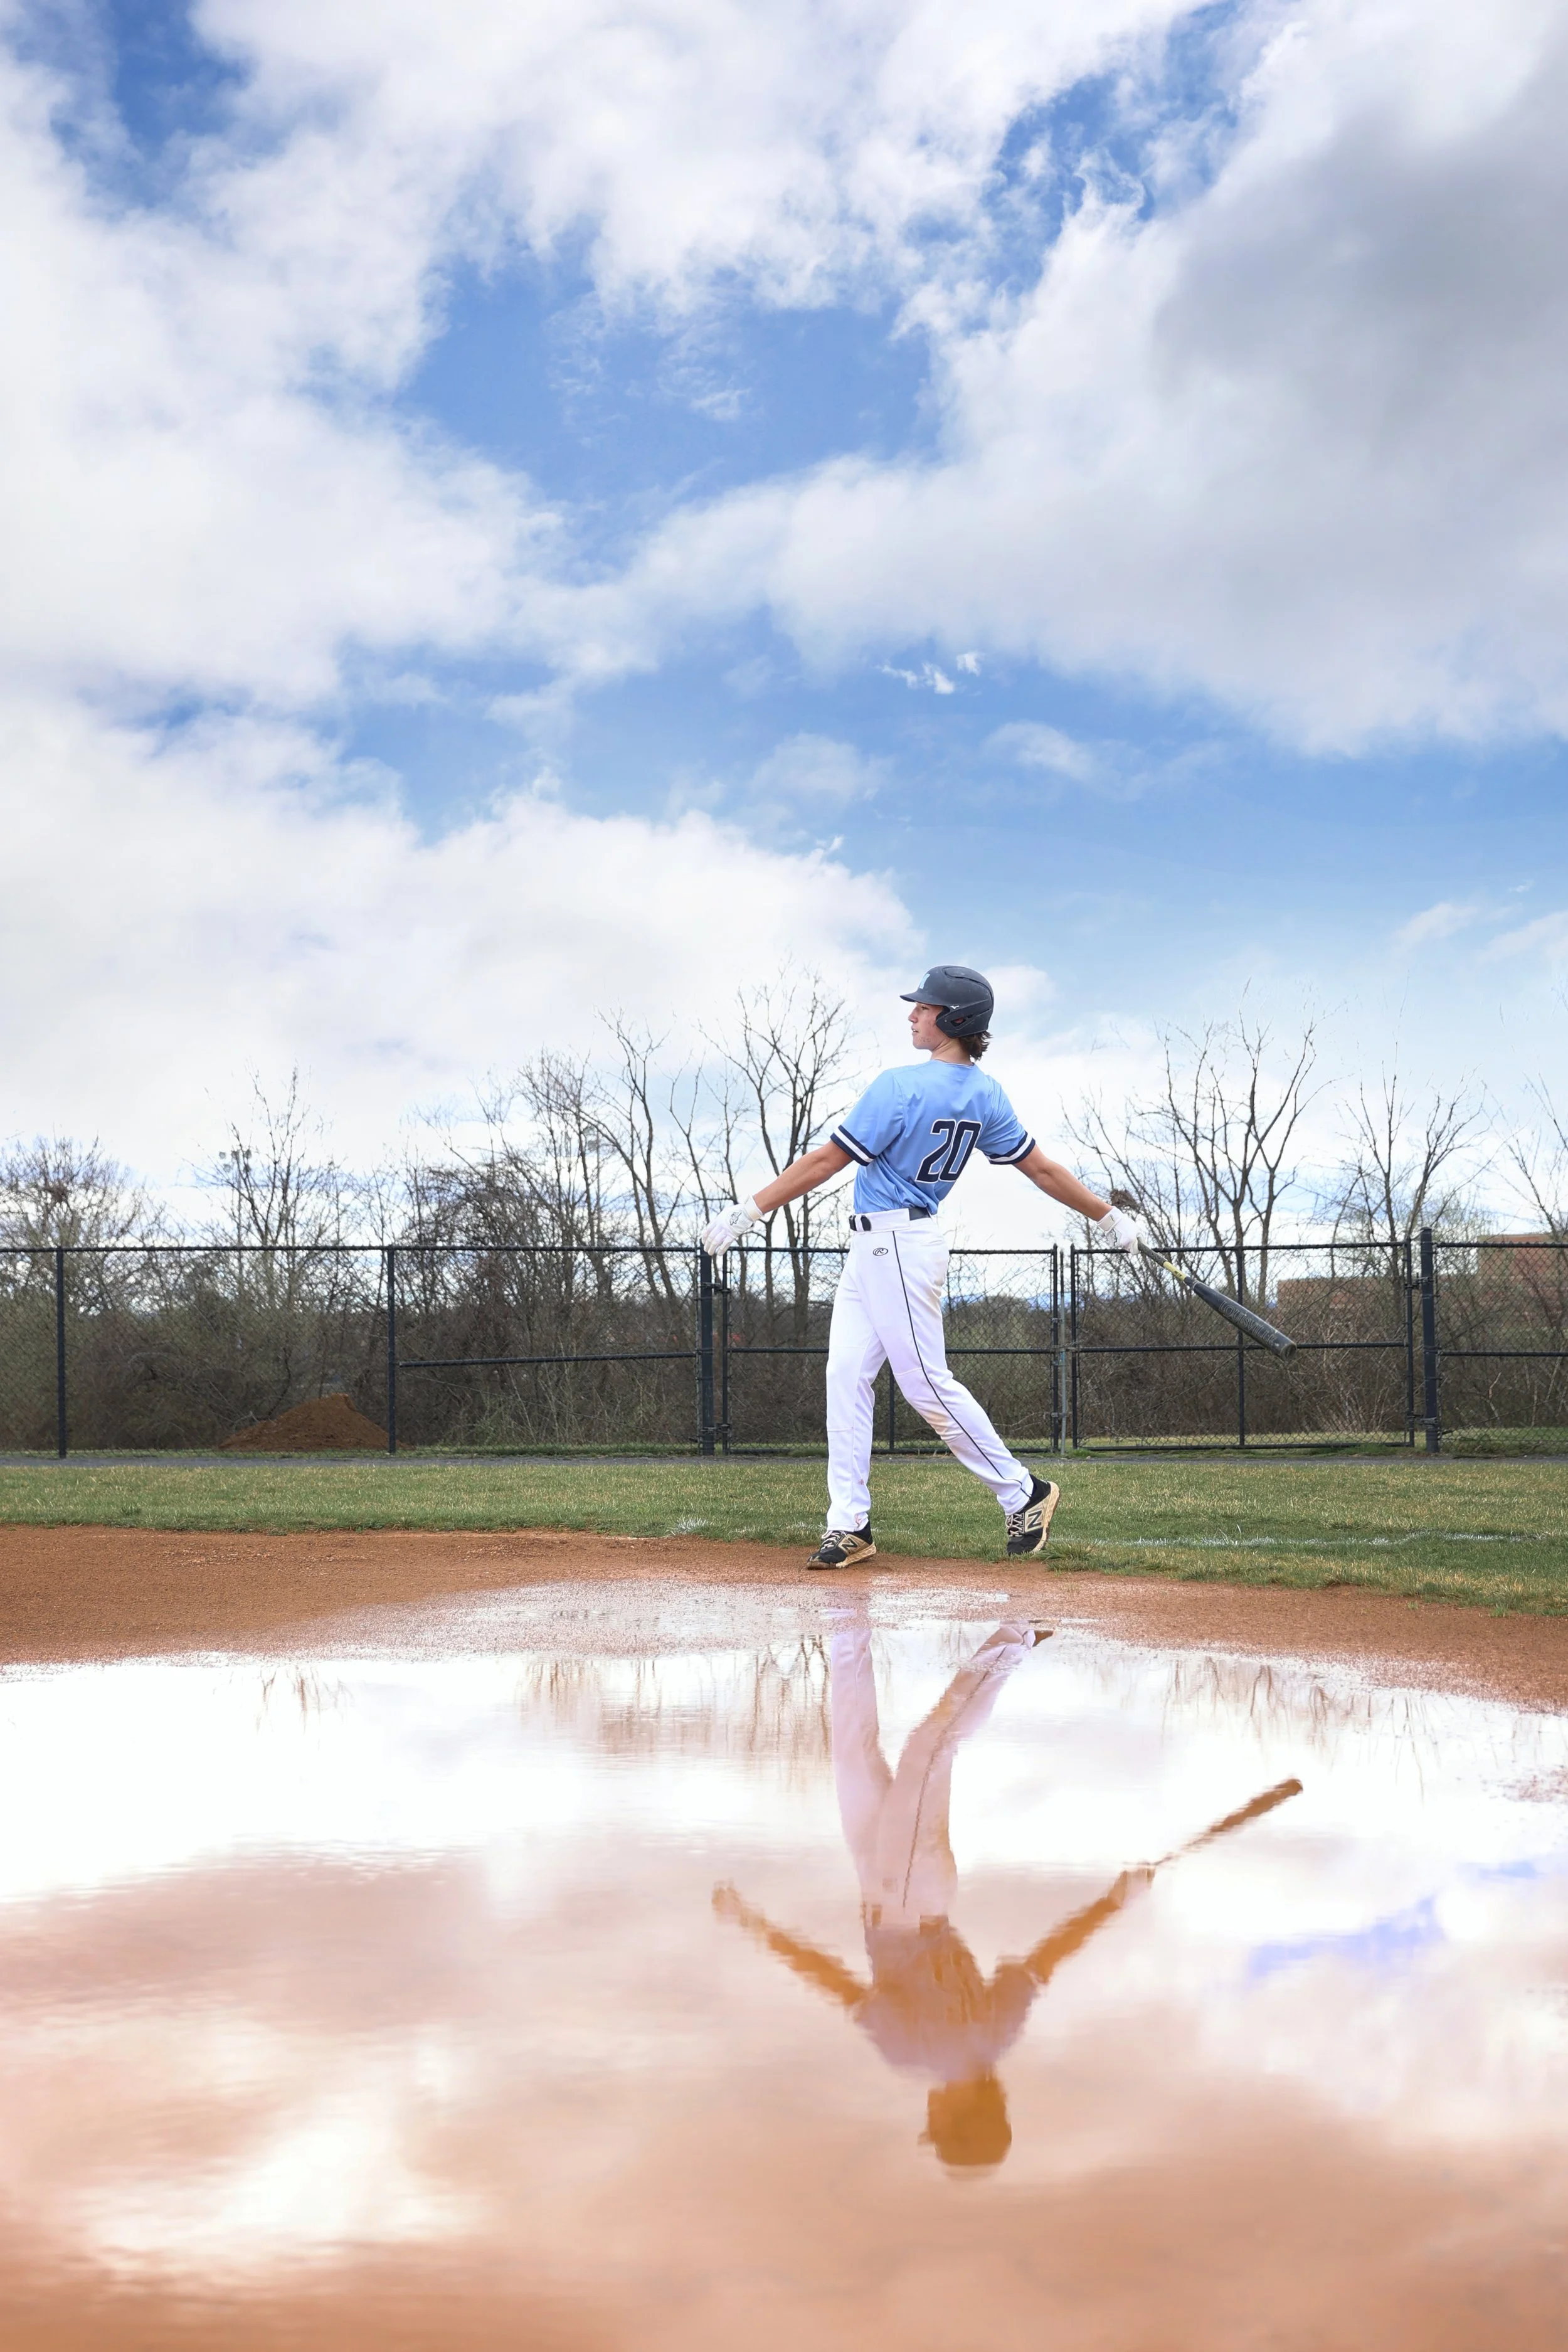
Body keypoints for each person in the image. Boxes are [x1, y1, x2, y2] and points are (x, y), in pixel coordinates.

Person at [701, 964, 1139, 1567]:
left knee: (926, 1385)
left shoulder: (900, 1085)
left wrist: (751, 1210)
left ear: (954, 1020)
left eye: (925, 1008)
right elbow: (1040, 1169)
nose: (913, 1013)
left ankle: (1023, 1493)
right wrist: (1107, 1216)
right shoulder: (986, 1092)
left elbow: (829, 1160)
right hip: (879, 1248)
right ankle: (850, 1524)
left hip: (899, 1248)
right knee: (846, 1377)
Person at [713, 1611, 1144, 2170]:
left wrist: (1113, 1902)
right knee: (931, 1748)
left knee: (854, 1750)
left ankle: (850, 1620)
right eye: (937, 2128)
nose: (928, 2119)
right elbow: (832, 1981)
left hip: (887, 1886)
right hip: (911, 1894)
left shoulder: (995, 2039)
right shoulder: (917, 2053)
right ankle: (1015, 1640)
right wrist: (755, 1926)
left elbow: (1049, 1956)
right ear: (957, 2121)